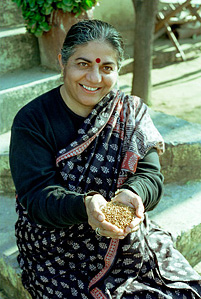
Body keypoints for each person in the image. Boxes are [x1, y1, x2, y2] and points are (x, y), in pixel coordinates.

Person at [9, 19, 201, 299]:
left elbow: (151, 176)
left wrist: (134, 194)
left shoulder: (131, 113)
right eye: (83, 64)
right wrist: (86, 206)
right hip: (57, 246)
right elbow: (37, 195)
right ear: (63, 61)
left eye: (106, 67)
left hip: (128, 240)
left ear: (117, 71)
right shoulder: (33, 121)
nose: (95, 78)